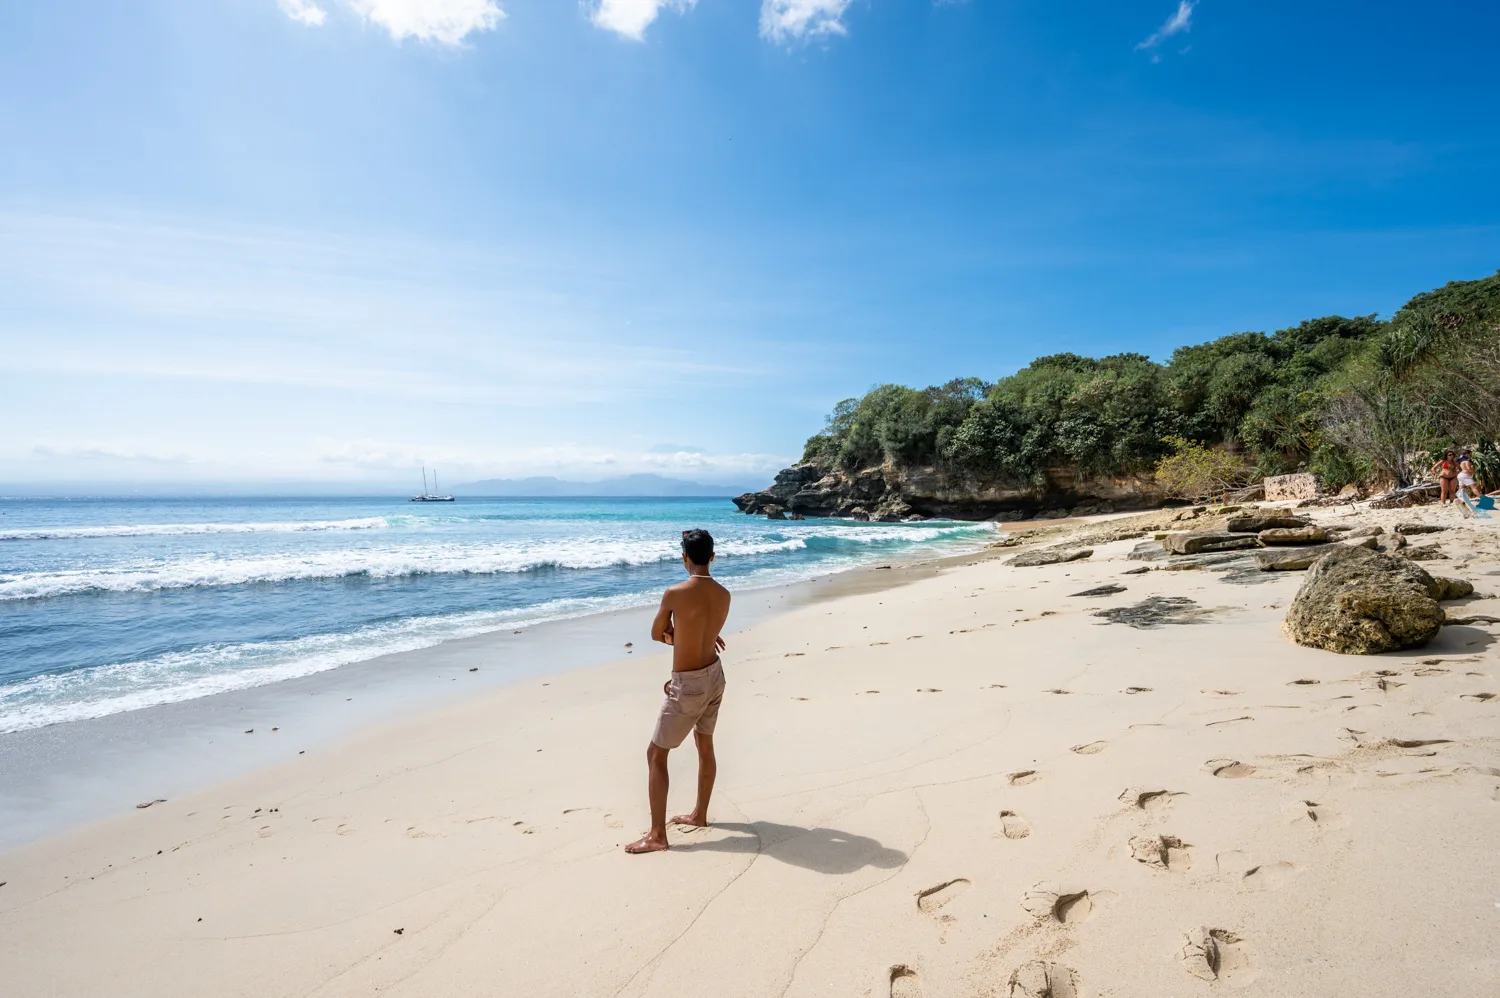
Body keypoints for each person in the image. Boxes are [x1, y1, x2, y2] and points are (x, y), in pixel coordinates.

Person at [625, 529, 731, 855]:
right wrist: (689, 634)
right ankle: (699, 814)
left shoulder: (675, 593)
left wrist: (674, 634)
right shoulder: (725, 594)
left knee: (655, 754)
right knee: (705, 744)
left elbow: (657, 633)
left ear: (684, 558)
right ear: (712, 557)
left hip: (689, 682)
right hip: (715, 675)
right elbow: (707, 631)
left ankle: (657, 835)